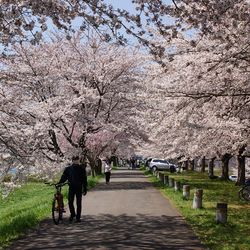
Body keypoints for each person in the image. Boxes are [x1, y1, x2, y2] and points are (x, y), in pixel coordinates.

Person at [58, 155, 87, 223]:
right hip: (71, 187)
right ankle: (73, 214)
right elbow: (64, 177)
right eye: (74, 159)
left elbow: (84, 179)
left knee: (78, 203)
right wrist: (60, 183)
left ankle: (78, 217)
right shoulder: (68, 169)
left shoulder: (82, 168)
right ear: (72, 160)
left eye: (77, 159)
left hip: (79, 187)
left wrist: (85, 188)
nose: (76, 161)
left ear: (78, 160)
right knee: (70, 201)